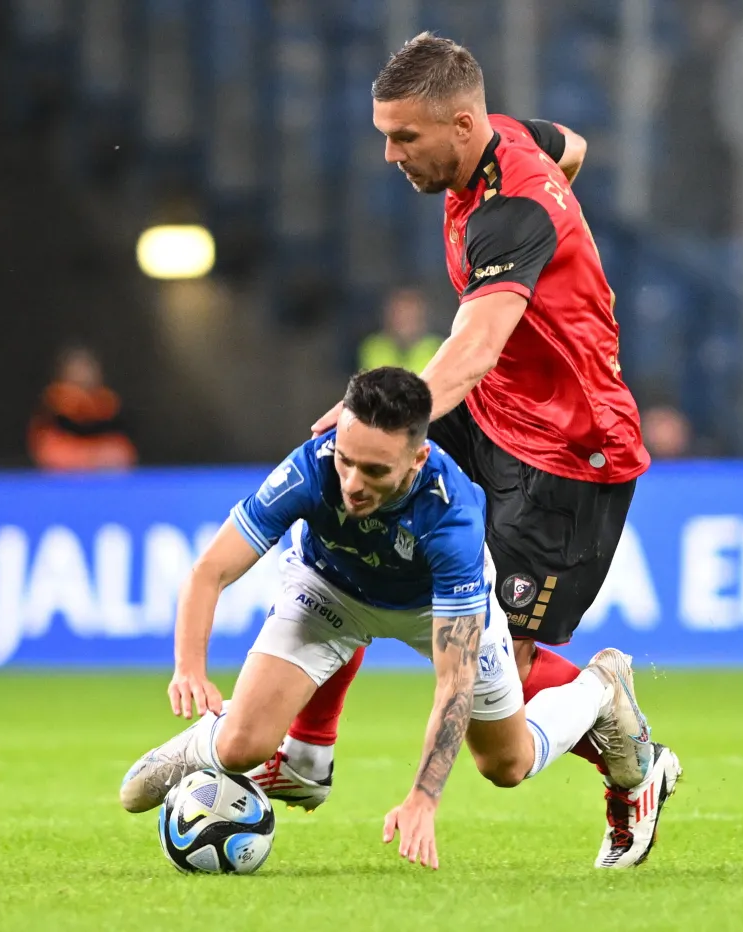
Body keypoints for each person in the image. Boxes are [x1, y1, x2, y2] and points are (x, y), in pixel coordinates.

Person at [251, 33, 681, 870]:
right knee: (346, 500)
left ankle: (605, 700)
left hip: (568, 453)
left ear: (459, 122)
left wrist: (372, 418)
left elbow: (477, 346)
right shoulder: (508, 141)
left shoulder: (509, 210)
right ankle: (306, 750)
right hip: (490, 415)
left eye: (405, 137)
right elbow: (574, 148)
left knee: (501, 740)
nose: (390, 154)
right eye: (384, 134)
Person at [118, 368, 658, 871]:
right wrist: (189, 667)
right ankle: (234, 746)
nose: (352, 482)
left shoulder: (453, 520)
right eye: (346, 461)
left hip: (430, 608)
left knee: (506, 767)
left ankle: (600, 690)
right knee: (241, 748)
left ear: (417, 460)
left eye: (375, 470)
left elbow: (454, 681)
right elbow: (210, 570)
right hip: (329, 591)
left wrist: (423, 797)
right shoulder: (311, 466)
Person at [27, 346, 138, 470]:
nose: (83, 374)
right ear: (64, 372)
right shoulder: (53, 407)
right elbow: (47, 453)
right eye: (77, 368)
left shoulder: (107, 405)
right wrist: (91, 457)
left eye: (87, 367)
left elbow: (123, 452)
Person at [357, 288, 442, 374]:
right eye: (401, 313)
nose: (406, 321)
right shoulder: (373, 348)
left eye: (411, 315)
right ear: (388, 316)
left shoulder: (437, 349)